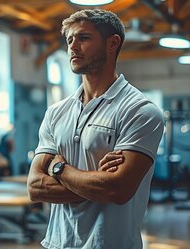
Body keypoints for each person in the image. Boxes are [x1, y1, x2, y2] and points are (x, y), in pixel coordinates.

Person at [26, 9, 165, 249]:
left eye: (83, 38)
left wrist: (58, 168)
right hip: (57, 243)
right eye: (69, 40)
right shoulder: (56, 113)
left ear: (112, 44)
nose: (73, 46)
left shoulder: (140, 110)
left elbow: (117, 190)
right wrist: (96, 185)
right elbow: (35, 187)